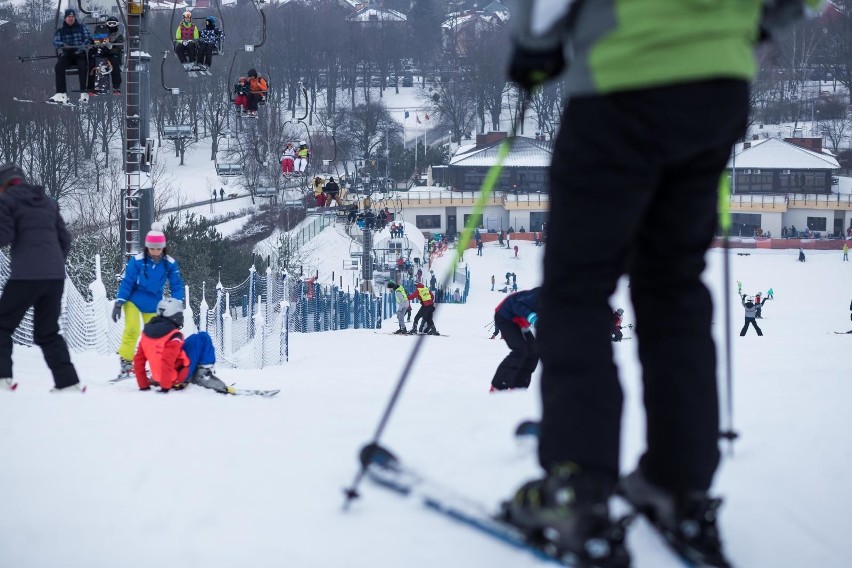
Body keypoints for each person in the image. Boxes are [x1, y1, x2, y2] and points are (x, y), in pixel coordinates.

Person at [499, 1, 812, 566]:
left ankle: (577, 488)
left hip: (622, 78)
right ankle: (678, 482)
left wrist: (535, 43)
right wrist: (756, 21)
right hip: (717, 83)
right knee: (673, 287)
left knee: (578, 290)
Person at [0, 163, 82, 392]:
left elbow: (4, 234)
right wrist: (53, 263)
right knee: (47, 332)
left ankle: (2, 379)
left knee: (2, 325)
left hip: (26, 275)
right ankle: (68, 382)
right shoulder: (47, 202)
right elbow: (64, 240)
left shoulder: (7, 201)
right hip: (55, 277)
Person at [112, 222, 185, 381]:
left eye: (158, 249)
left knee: (154, 335)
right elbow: (127, 282)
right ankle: (126, 363)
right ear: (147, 247)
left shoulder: (170, 263)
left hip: (154, 303)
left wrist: (177, 304)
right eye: (152, 248)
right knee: (133, 328)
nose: (155, 252)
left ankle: (155, 365)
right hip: (133, 299)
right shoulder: (137, 261)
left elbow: (176, 284)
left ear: (163, 248)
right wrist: (119, 302)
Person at [134, 298, 229, 394]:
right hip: (174, 378)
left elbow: (138, 361)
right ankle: (203, 376)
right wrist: (165, 387)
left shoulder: (146, 334)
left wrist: (143, 385)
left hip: (160, 377)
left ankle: (196, 371)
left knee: (192, 338)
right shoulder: (174, 336)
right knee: (202, 337)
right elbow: (167, 360)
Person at [490, 288, 539, 392]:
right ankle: (498, 387)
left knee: (534, 352)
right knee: (521, 350)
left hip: (521, 324)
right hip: (505, 316)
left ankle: (518, 388)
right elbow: (515, 303)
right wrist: (532, 317)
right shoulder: (540, 295)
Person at [49, 8, 93, 105]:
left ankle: (83, 92)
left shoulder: (82, 27)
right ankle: (61, 93)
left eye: (72, 17)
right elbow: (56, 42)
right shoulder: (61, 31)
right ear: (65, 18)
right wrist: (64, 45)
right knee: (59, 66)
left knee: (83, 66)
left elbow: (88, 38)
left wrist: (80, 47)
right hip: (68, 55)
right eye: (69, 17)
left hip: (79, 54)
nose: (71, 18)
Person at [88, 16, 124, 96]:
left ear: (117, 24)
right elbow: (95, 42)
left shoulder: (119, 36)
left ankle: (116, 87)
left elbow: (118, 48)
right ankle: (91, 87)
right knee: (93, 64)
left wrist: (109, 50)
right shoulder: (101, 33)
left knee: (115, 65)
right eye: (109, 23)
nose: (111, 25)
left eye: (113, 23)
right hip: (101, 53)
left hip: (113, 54)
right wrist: (93, 42)